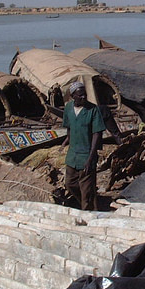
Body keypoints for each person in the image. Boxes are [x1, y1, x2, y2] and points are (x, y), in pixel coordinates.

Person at [61, 81, 106, 211]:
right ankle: (84, 203)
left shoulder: (93, 110)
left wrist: (90, 158)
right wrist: (65, 143)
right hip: (73, 155)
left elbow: (97, 134)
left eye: (85, 95)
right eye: (80, 95)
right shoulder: (69, 108)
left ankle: (88, 212)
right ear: (72, 96)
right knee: (70, 183)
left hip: (86, 154)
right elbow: (69, 128)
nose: (83, 97)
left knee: (86, 189)